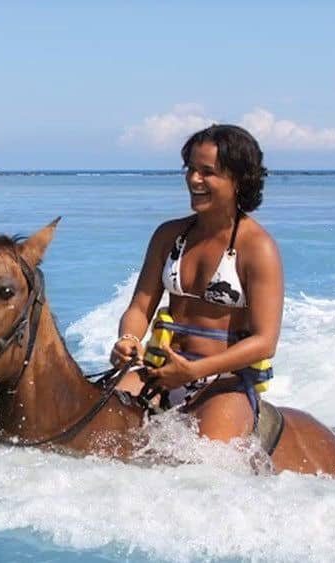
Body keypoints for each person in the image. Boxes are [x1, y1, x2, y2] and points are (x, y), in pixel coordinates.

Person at [111, 124, 282, 444]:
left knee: (199, 473)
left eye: (208, 172)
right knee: (96, 432)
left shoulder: (258, 247)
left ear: (239, 180)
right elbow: (139, 307)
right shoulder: (168, 236)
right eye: (190, 168)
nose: (193, 179)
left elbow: (264, 341)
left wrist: (194, 372)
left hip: (223, 383)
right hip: (159, 372)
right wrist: (129, 339)